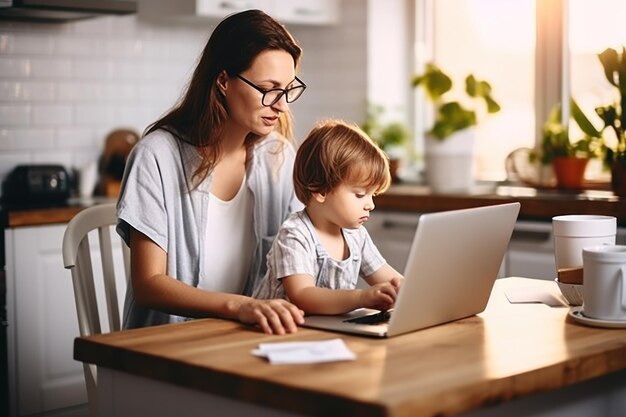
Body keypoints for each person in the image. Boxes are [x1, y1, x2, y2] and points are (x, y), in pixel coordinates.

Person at [115, 9, 308, 335]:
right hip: (166, 350)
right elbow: (148, 284)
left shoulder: (278, 156)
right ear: (222, 81)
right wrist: (242, 306)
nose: (282, 105)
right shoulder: (156, 156)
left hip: (245, 342)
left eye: (288, 89)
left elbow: (300, 256)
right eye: (268, 88)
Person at [254, 120, 404, 314]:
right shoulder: (295, 235)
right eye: (360, 194)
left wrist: (409, 291)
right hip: (278, 333)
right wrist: (362, 297)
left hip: (324, 330)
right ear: (321, 190)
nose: (371, 205)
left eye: (372, 195)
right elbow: (303, 296)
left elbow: (392, 280)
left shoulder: (356, 235)